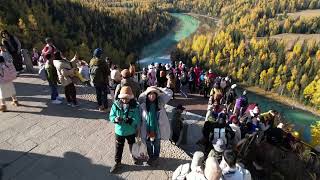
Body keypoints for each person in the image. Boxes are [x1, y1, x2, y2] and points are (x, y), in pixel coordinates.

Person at [109, 86, 141, 173]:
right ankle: (117, 162)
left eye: (127, 98)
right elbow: (111, 116)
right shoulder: (115, 105)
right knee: (118, 148)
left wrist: (131, 120)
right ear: (120, 97)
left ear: (130, 97)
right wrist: (115, 119)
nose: (125, 100)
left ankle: (134, 156)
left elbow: (137, 119)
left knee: (132, 144)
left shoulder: (135, 106)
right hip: (119, 131)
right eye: (123, 98)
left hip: (131, 131)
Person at [139, 86, 173, 165]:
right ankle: (151, 158)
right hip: (146, 130)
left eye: (154, 94)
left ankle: (156, 158)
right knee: (148, 145)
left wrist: (157, 88)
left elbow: (170, 92)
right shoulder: (143, 106)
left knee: (156, 145)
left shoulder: (160, 104)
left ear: (157, 95)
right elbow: (140, 97)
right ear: (147, 95)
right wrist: (148, 90)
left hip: (157, 130)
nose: (152, 96)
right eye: (149, 94)